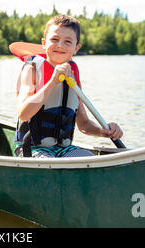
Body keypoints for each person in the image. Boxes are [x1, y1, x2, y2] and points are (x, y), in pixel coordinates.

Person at [15, 14, 123, 158]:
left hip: (62, 150)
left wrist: (102, 131)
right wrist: (53, 81)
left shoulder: (72, 76)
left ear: (76, 48)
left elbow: (83, 125)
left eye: (68, 41)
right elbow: (24, 113)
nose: (60, 45)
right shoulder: (32, 69)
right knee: (50, 165)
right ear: (43, 43)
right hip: (31, 147)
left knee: (90, 161)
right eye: (54, 39)